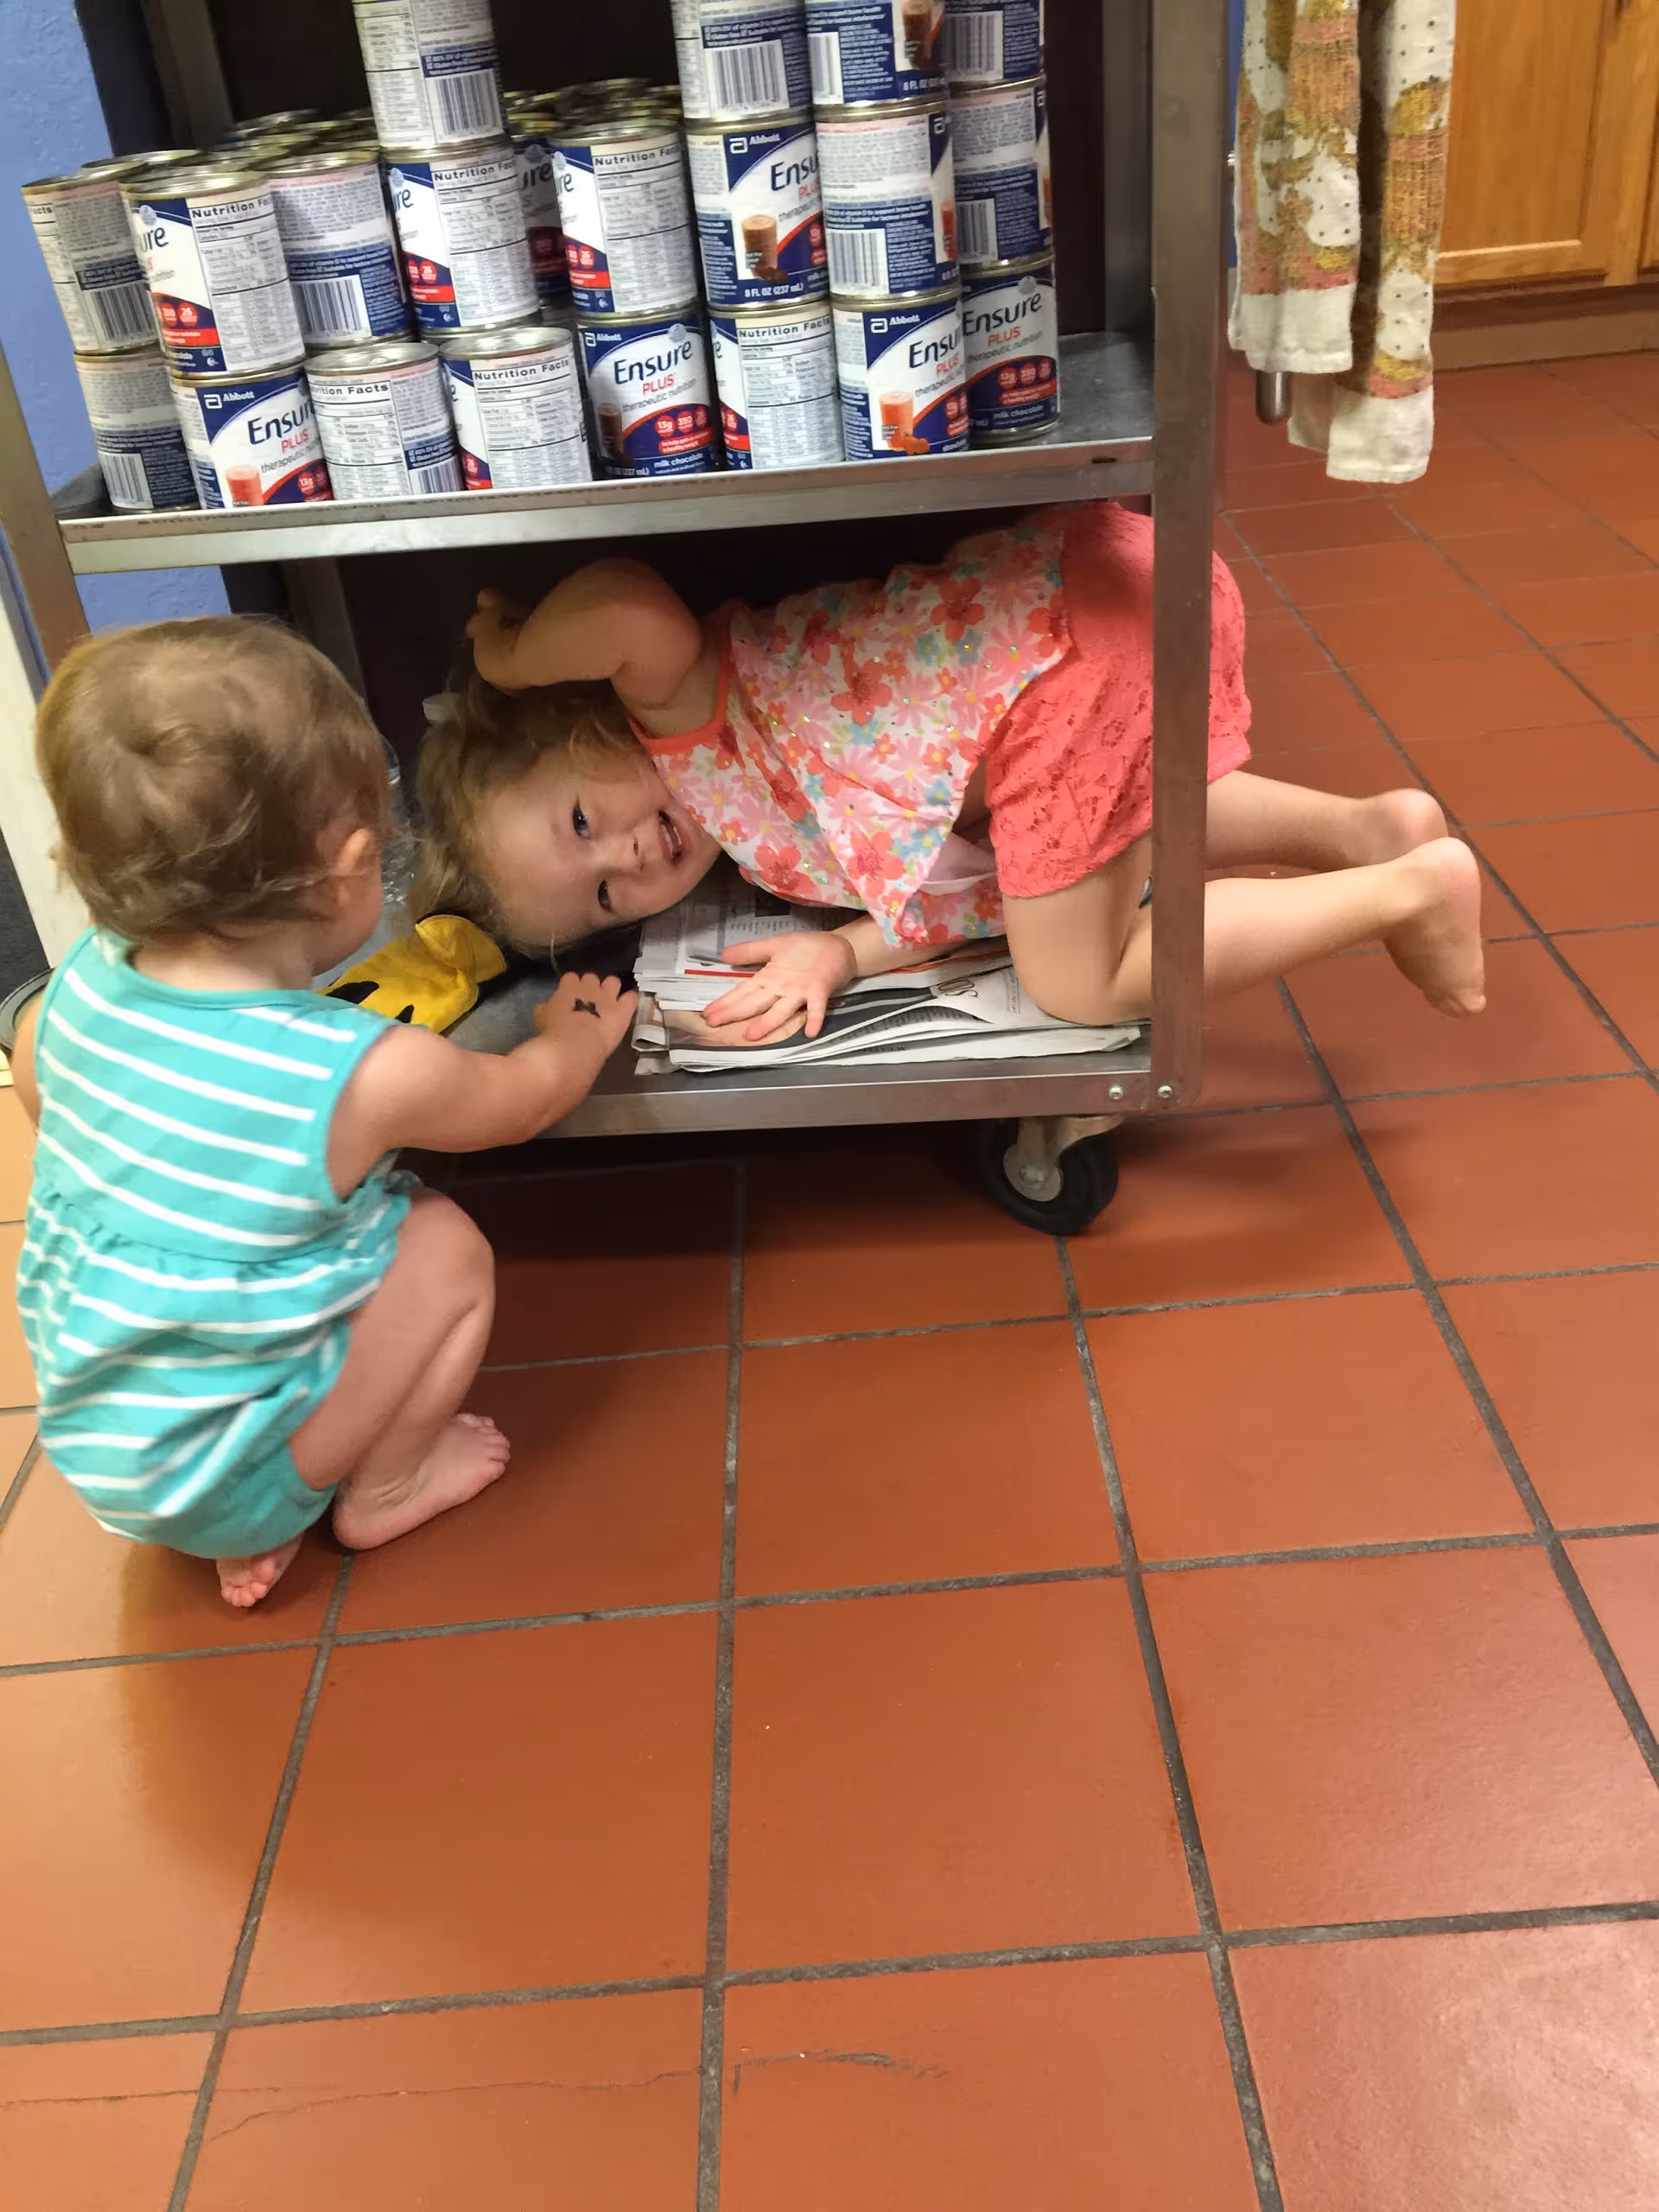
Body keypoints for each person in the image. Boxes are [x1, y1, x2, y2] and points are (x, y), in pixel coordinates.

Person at [12, 618, 634, 1609]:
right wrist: (578, 1036)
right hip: (224, 1466)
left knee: (250, 1271)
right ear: (350, 864)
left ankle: (241, 1505)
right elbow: (519, 1103)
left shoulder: (69, 995)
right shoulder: (361, 1071)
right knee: (443, 1244)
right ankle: (385, 1486)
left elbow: (52, 1110)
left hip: (105, 1453)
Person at [424, 500, 1485, 1045]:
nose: (627, 857)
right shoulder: (756, 829)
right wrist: (838, 955)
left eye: (578, 821)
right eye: (605, 893)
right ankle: (1367, 830)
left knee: (1077, 979)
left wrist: (512, 658)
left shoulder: (673, 706)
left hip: (1058, 662)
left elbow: (624, 603)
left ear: (574, 721)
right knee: (1111, 814)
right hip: (1102, 591)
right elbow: (965, 886)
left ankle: (1402, 891)